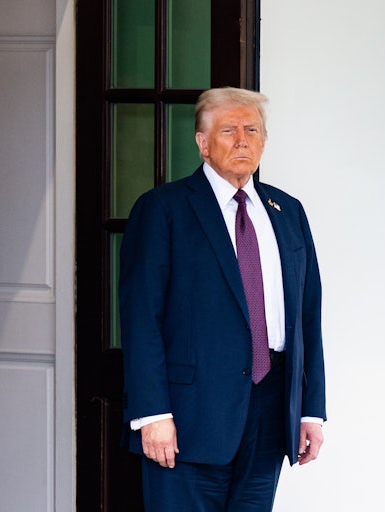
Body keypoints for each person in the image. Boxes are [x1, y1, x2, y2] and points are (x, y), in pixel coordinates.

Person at [119, 87, 326, 511]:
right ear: (202, 142)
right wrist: (153, 413)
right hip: (187, 419)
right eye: (228, 130)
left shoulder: (288, 212)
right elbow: (142, 318)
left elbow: (307, 318)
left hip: (270, 413)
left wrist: (311, 411)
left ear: (265, 141)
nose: (242, 140)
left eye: (252, 130)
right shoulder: (163, 209)